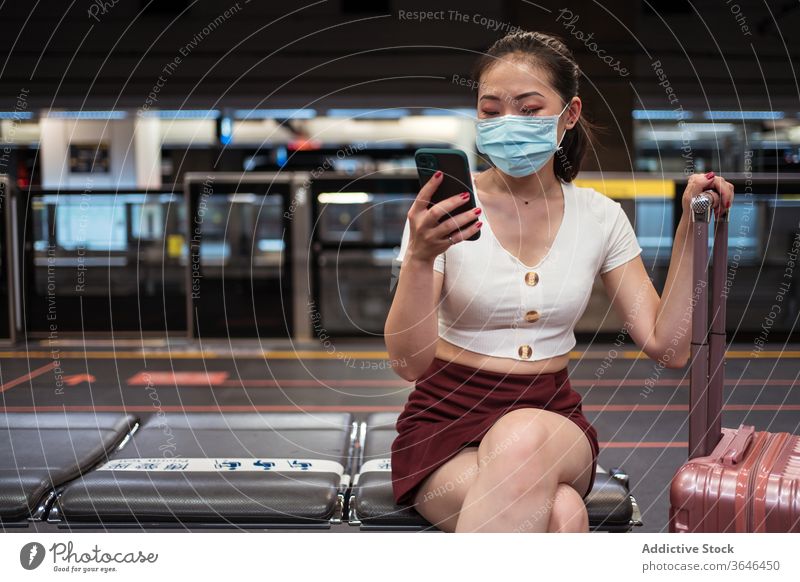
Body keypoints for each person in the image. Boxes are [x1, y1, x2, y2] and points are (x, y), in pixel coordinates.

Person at [384, 30, 734, 533]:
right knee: (563, 515)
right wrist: (419, 258)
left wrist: (687, 231)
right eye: (491, 110)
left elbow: (669, 346)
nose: (508, 123)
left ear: (568, 114)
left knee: (522, 435)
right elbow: (408, 362)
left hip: (551, 419)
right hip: (445, 422)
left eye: (528, 110)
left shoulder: (599, 217)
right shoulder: (442, 215)